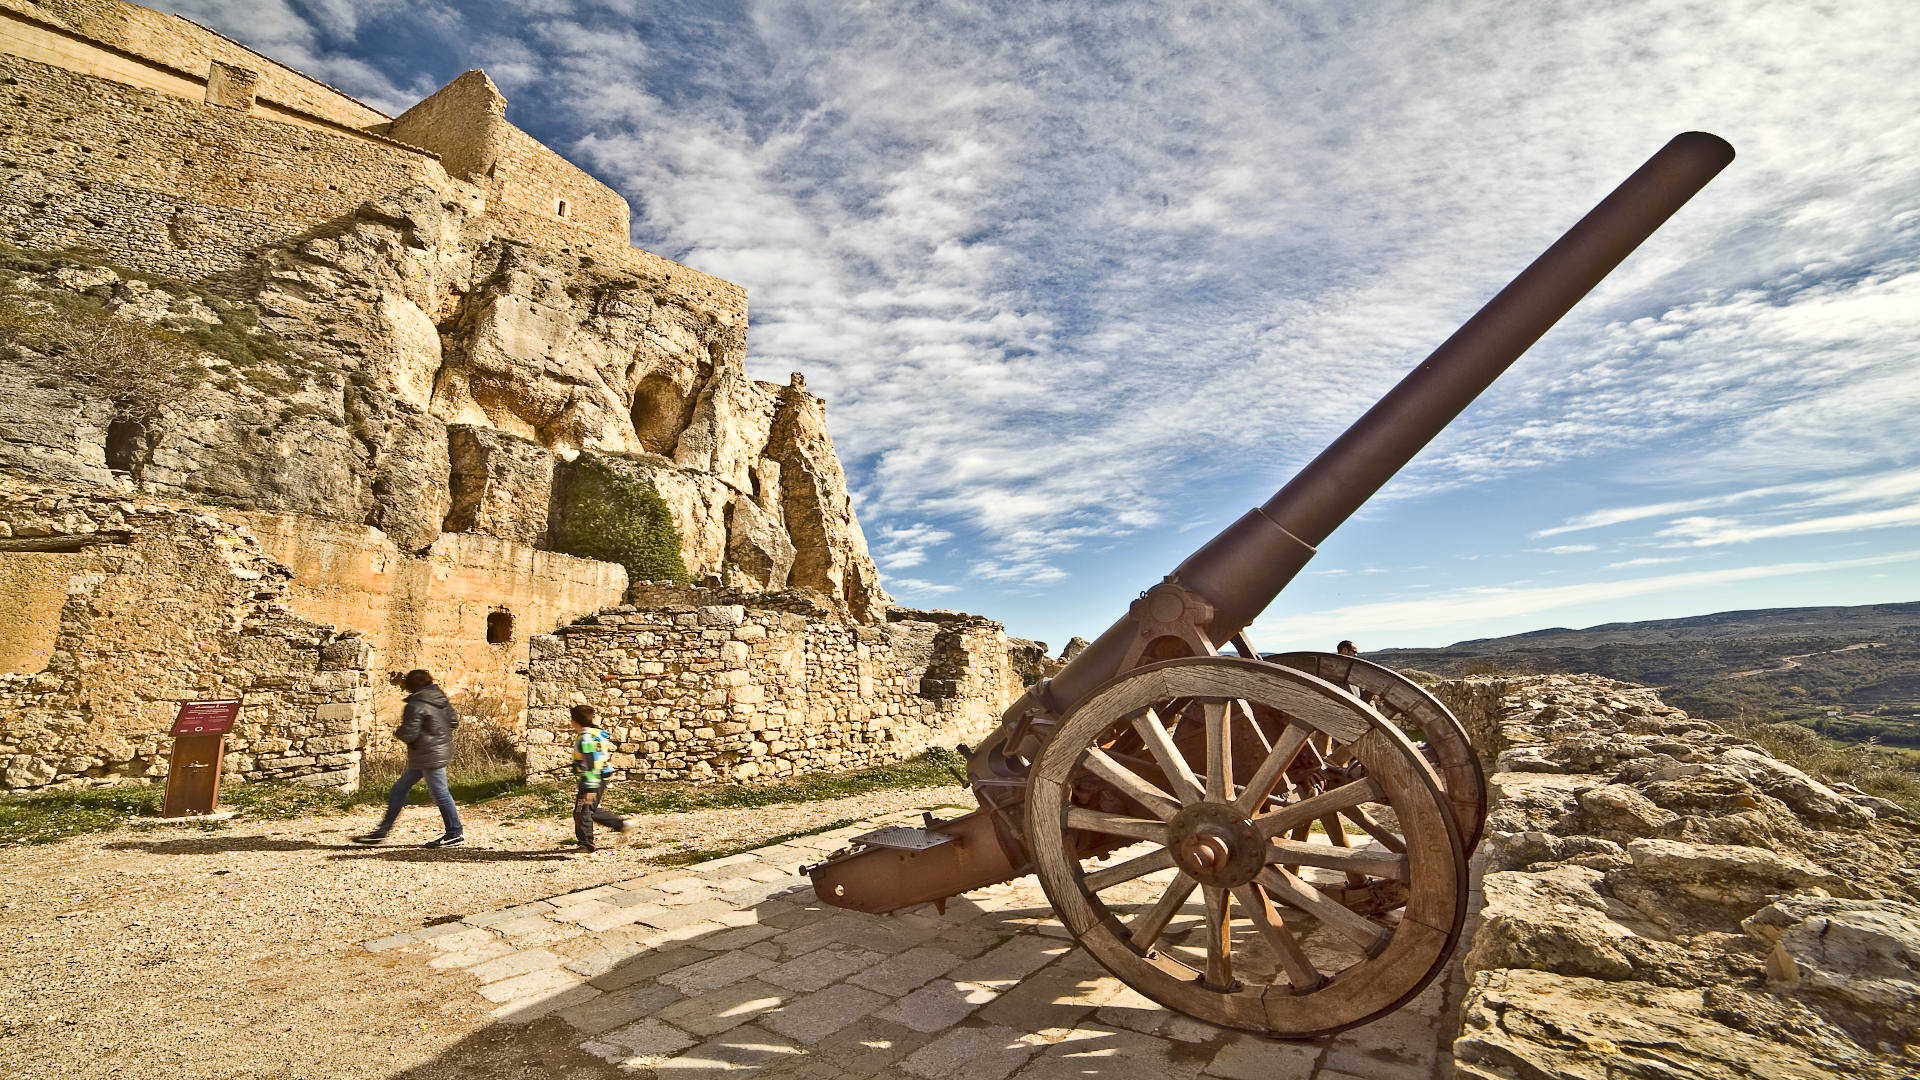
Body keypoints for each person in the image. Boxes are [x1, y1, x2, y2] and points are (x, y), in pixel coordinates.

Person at [352, 669, 464, 847]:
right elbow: (453, 722)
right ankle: (381, 832)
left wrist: (398, 731)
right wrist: (437, 734)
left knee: (440, 794)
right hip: (433, 752)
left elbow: (409, 734)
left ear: (412, 686)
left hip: (428, 754)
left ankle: (454, 832)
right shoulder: (439, 698)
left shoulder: (416, 704)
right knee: (399, 789)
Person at [570, 704, 628, 852]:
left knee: (582, 810)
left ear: (575, 720)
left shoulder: (585, 738)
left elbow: (590, 762)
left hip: (592, 778)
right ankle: (621, 825)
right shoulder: (596, 733)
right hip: (601, 776)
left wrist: (589, 787)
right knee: (590, 809)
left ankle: (586, 843)